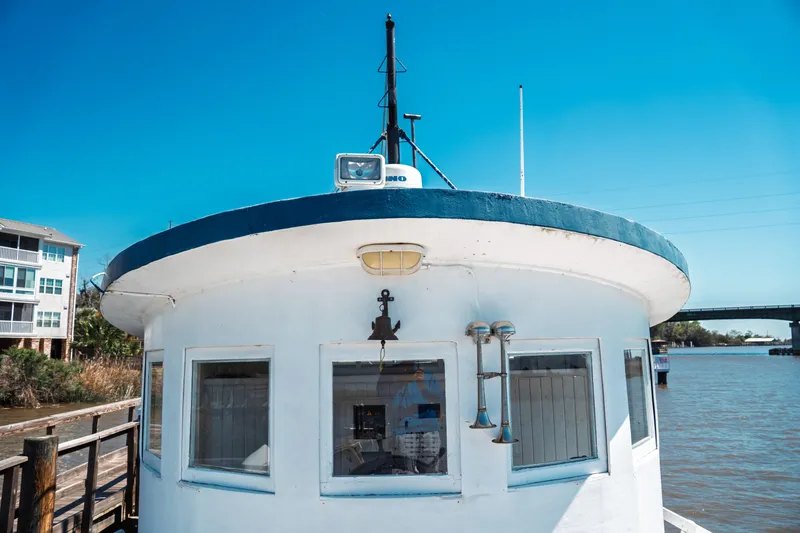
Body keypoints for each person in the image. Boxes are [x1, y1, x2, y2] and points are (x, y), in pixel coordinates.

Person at [392, 363, 445, 474]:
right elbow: (394, 407)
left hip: (429, 428)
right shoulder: (399, 375)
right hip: (406, 430)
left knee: (429, 469)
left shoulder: (430, 376)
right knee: (407, 470)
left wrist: (422, 385)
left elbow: (439, 401)